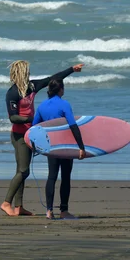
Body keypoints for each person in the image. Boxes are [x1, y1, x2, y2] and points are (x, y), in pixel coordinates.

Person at [0, 61, 83, 217]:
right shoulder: (12, 93)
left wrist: (72, 70)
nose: (29, 73)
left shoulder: (31, 86)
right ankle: (6, 203)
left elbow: (53, 78)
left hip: (30, 133)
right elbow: (13, 118)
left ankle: (19, 207)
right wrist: (31, 118)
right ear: (21, 73)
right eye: (27, 71)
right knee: (23, 171)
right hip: (19, 135)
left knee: (22, 171)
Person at [33, 79, 86, 220]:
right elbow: (73, 126)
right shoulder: (64, 104)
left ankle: (49, 211)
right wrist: (81, 147)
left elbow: (34, 128)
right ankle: (64, 211)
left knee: (52, 176)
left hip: (51, 147)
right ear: (61, 89)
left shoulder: (42, 106)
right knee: (66, 177)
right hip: (66, 146)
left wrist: (35, 147)